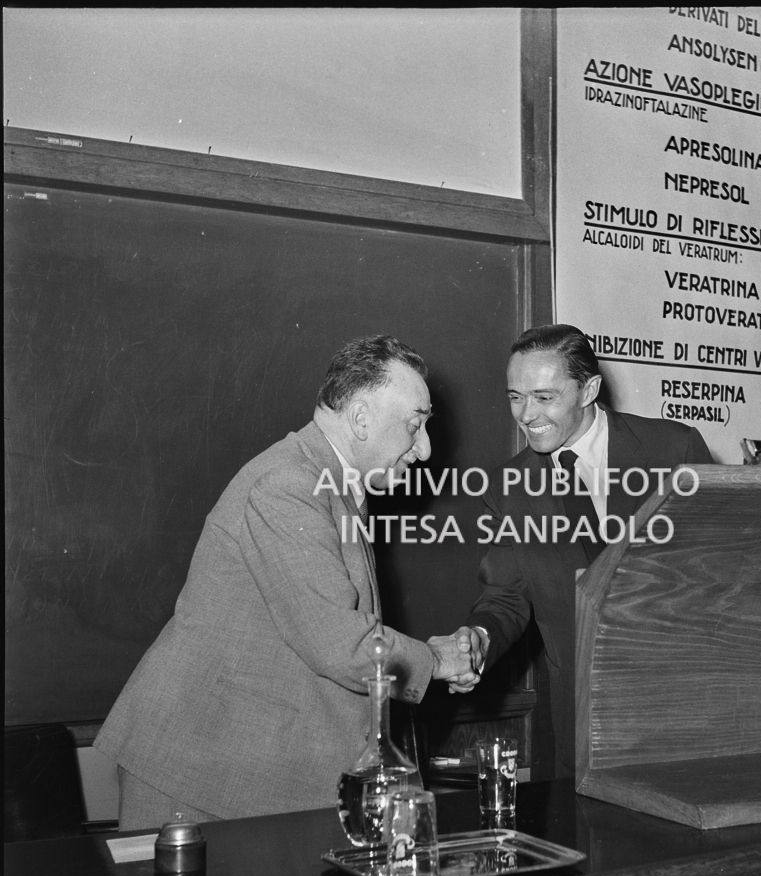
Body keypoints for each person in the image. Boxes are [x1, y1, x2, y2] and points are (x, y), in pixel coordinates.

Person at [96, 335, 476, 829]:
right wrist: (440, 659)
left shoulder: (326, 480)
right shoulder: (288, 485)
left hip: (236, 768)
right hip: (195, 777)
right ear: (360, 419)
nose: (424, 449)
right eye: (415, 425)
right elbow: (340, 643)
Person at [454, 324, 713, 778]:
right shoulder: (506, 489)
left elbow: (716, 573)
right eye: (516, 396)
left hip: (683, 708)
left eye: (544, 397)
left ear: (588, 389)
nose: (526, 414)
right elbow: (505, 597)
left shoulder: (674, 449)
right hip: (583, 721)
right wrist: (478, 637)